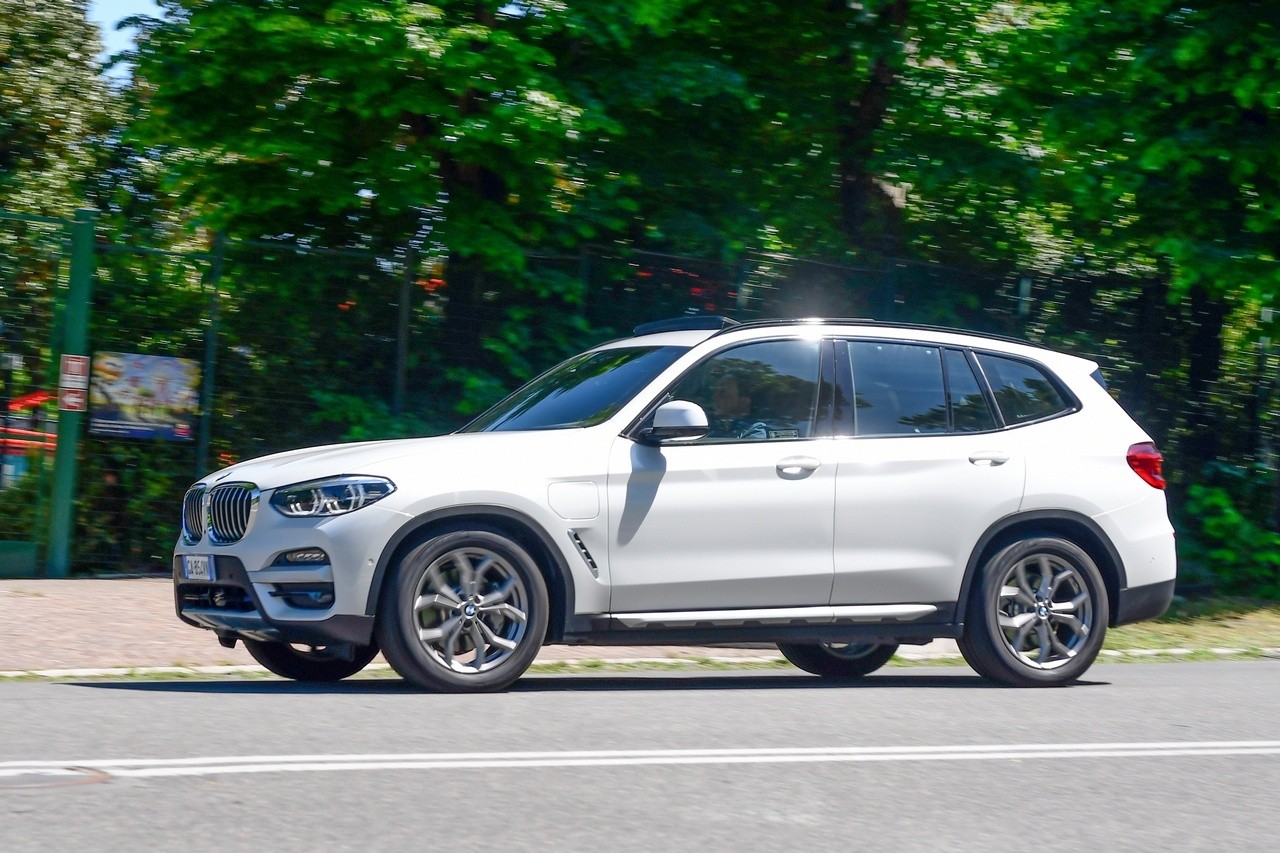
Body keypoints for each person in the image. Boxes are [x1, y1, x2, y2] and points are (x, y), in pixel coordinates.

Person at [709, 372, 768, 440]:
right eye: (715, 391)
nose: (715, 397)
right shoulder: (709, 424)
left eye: (723, 393)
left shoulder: (755, 430)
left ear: (744, 401)